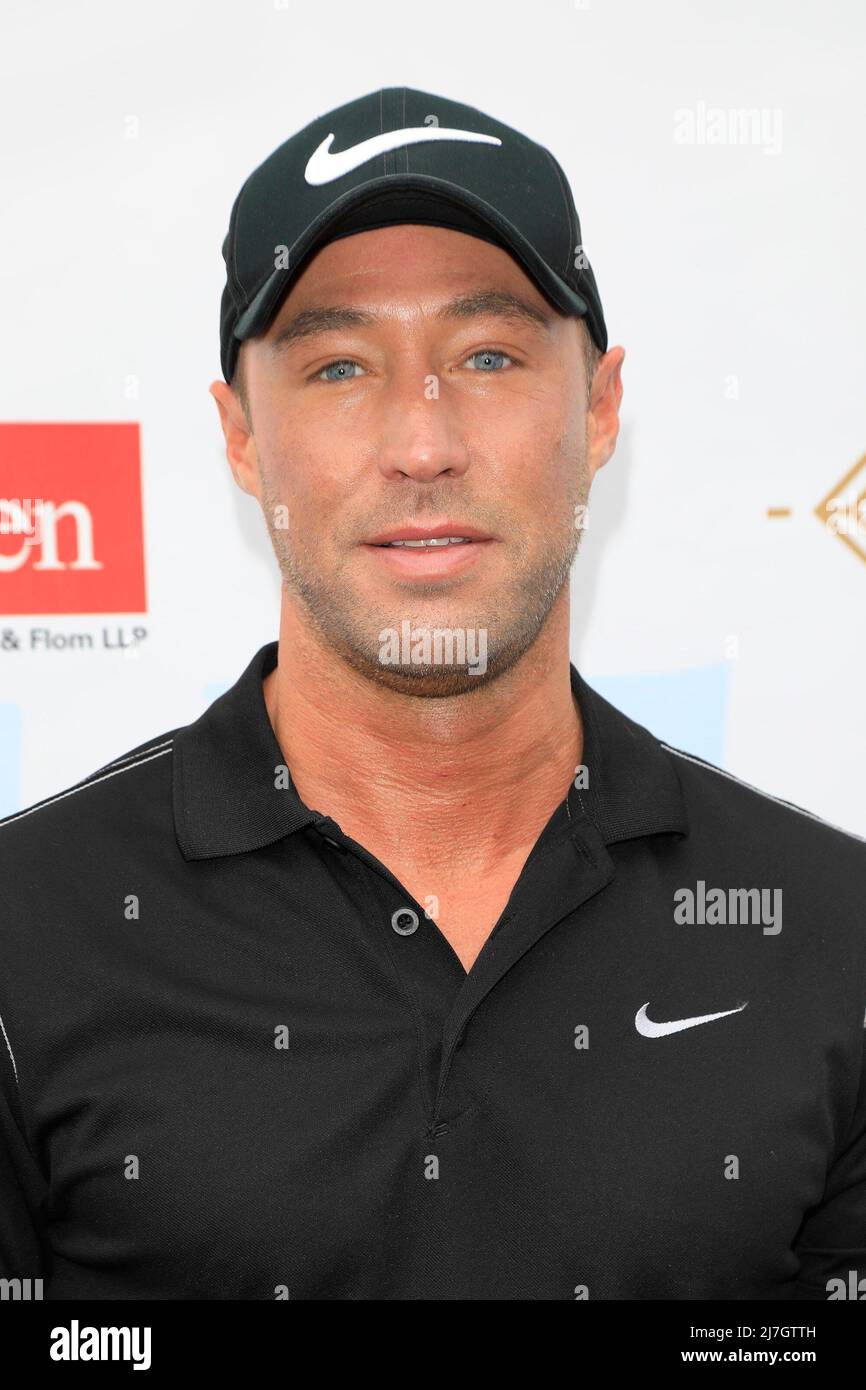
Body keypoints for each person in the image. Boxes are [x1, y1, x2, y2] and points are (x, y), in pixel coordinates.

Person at [1, 86, 863, 1301]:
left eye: (489, 355)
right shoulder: (27, 930)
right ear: (241, 436)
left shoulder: (827, 931)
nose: (421, 442)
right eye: (341, 365)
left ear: (600, 406)